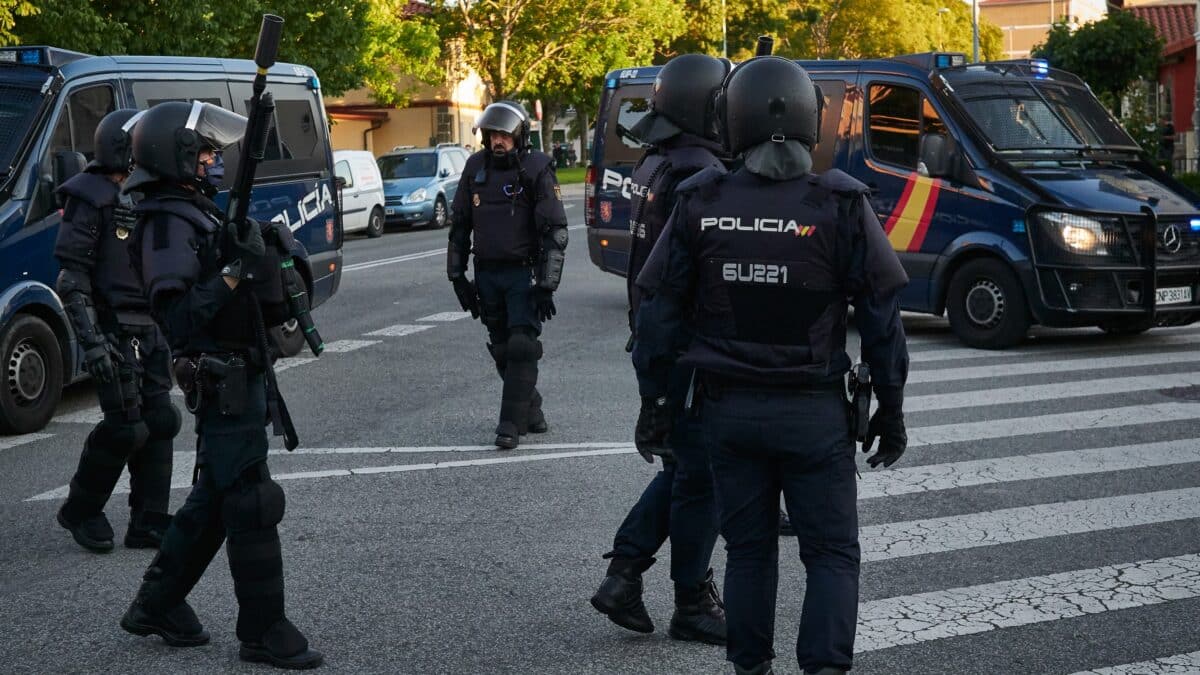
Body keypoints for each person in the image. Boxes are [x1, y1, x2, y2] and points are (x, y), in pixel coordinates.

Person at [632, 56, 910, 675]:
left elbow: (658, 317)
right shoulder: (839, 204)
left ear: (733, 120)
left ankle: (751, 669)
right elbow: (883, 320)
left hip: (729, 415)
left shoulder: (701, 201)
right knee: (833, 555)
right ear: (812, 120)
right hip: (814, 415)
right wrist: (890, 409)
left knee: (750, 554)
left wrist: (655, 404)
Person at [118, 100, 322, 669]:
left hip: (240, 370)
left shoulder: (193, 210)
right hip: (219, 376)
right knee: (253, 500)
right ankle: (263, 631)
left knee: (216, 500)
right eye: (204, 151)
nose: (212, 160)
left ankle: (155, 603)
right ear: (175, 155)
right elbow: (179, 319)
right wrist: (235, 272)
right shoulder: (163, 221)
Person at [589, 53, 729, 646]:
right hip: (690, 348)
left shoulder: (661, 163)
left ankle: (625, 575)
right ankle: (690, 599)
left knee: (685, 468)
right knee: (703, 475)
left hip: (660, 344)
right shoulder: (701, 173)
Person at [53, 108, 178, 554]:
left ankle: (148, 521)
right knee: (127, 428)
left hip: (152, 327)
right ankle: (81, 509)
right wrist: (93, 341)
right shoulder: (90, 197)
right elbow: (72, 278)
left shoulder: (148, 194)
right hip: (112, 327)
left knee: (161, 421)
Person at [447, 101, 569, 450]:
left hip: (524, 274)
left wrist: (547, 284)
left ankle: (509, 425)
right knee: (502, 348)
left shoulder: (538, 168)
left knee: (521, 346)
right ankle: (530, 407)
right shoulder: (475, 168)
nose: (497, 141)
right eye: (492, 134)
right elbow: (459, 227)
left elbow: (556, 231)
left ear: (519, 136)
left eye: (504, 134)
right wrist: (457, 278)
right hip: (487, 273)